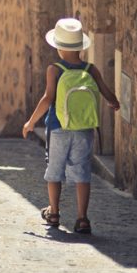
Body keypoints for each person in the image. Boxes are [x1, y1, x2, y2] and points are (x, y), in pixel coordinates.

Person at [22, 18, 119, 234]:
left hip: (58, 128)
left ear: (58, 46)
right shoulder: (90, 69)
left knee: (54, 170)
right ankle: (82, 218)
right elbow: (105, 91)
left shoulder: (54, 69)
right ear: (80, 46)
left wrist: (31, 122)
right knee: (82, 172)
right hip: (84, 129)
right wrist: (114, 102)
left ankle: (54, 212)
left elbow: (48, 99)